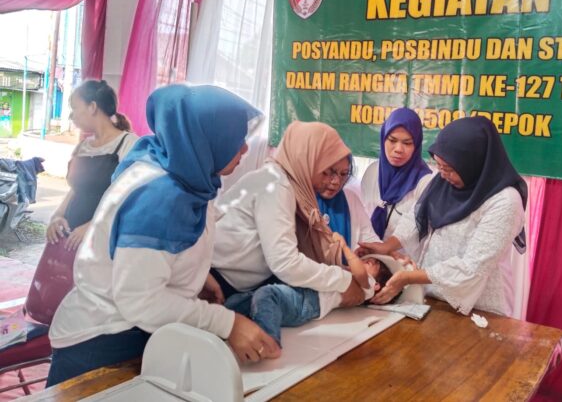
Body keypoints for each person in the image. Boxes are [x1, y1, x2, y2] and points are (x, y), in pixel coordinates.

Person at [46, 85, 280, 387]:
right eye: (235, 139)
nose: (245, 149)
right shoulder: (161, 196)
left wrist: (195, 276)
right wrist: (228, 323)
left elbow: (153, 254)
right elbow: (140, 299)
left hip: (126, 329)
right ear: (205, 138)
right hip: (102, 342)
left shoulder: (180, 169)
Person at [358, 116, 527, 317]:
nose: (443, 174)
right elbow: (416, 216)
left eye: (449, 169)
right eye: (439, 166)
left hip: (479, 306)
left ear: (473, 163)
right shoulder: (443, 180)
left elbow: (473, 267)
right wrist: (387, 246)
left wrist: (409, 277)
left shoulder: (505, 202)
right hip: (432, 296)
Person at [211, 121, 377, 306]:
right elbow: (285, 263)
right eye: (326, 171)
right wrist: (344, 280)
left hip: (234, 283)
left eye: (343, 174)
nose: (334, 181)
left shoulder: (287, 185)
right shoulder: (276, 185)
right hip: (216, 282)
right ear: (307, 160)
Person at [223, 233, 394, 346]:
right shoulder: (348, 275)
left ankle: (268, 342)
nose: (368, 261)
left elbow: (360, 273)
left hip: (310, 301)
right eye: (367, 259)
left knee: (266, 295)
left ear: (377, 286)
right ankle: (223, 320)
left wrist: (345, 248)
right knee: (246, 299)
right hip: (304, 292)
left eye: (373, 264)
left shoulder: (366, 288)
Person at [46, 80, 138, 251]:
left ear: (92, 107)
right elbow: (76, 189)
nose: (71, 116)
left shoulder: (129, 145)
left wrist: (93, 226)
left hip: (104, 241)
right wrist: (57, 216)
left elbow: (130, 199)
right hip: (72, 237)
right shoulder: (83, 146)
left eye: (75, 108)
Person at [361, 108, 433, 240]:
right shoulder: (372, 171)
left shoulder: (425, 182)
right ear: (383, 139)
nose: (398, 149)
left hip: (403, 254)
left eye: (407, 143)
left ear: (416, 145)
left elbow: (421, 233)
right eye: (392, 140)